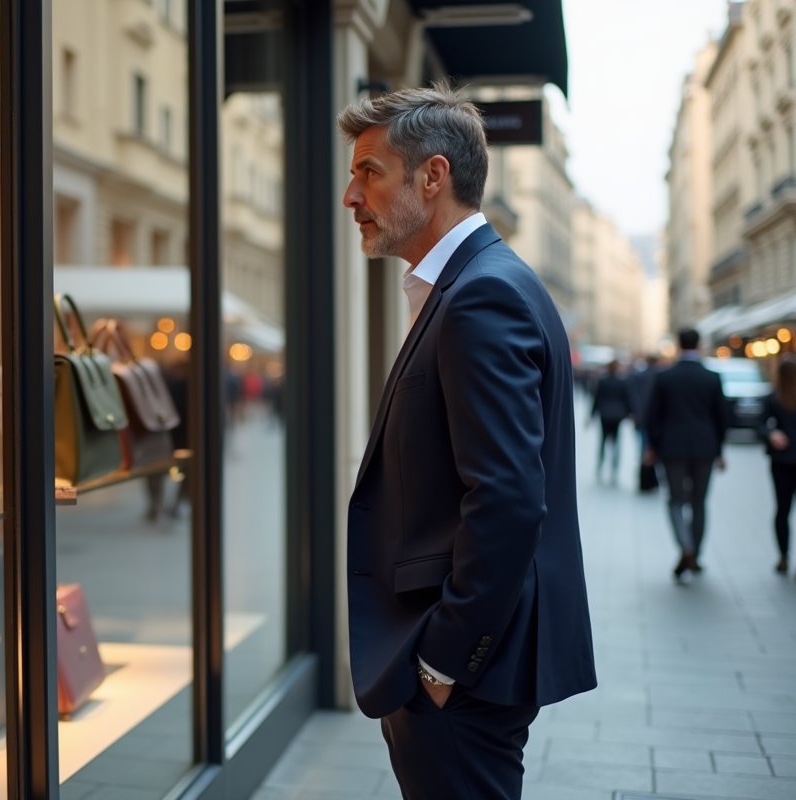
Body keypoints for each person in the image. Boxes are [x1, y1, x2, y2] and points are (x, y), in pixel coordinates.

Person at [339, 83, 596, 800]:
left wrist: (445, 661)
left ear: (433, 176)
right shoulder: (475, 284)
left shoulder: (483, 295)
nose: (350, 196)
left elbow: (510, 499)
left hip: (465, 667)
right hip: (468, 659)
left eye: (368, 172)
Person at [644, 329, 729, 582]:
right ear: (699, 345)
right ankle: (696, 553)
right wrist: (720, 450)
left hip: (672, 448)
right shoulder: (712, 377)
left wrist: (652, 446)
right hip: (705, 448)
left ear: (678, 345)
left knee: (675, 499)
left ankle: (685, 545)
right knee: (699, 502)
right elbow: (722, 418)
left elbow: (651, 416)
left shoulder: (665, 377)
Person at [757, 356, 796, 575]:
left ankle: (783, 555)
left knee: (782, 509)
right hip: (782, 460)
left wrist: (772, 434)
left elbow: (759, 424)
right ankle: (783, 555)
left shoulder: (774, 397)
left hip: (781, 461)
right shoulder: (774, 398)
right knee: (783, 510)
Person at [590, 361, 632, 482]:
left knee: (603, 440)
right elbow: (628, 397)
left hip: (605, 413)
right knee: (616, 442)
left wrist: (592, 414)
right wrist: (632, 412)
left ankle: (600, 465)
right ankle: (614, 468)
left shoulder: (602, 381)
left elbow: (597, 398)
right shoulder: (623, 381)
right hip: (618, 414)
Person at [628, 355, 662, 491]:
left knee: (643, 448)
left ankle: (645, 479)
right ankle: (651, 479)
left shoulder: (638, 376)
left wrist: (635, 412)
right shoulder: (661, 376)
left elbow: (632, 396)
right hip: (657, 419)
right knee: (655, 448)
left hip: (642, 417)